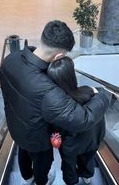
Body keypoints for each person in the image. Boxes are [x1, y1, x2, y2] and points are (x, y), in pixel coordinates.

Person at [0, 20, 110, 185]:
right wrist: (102, 95)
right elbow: (83, 119)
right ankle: (40, 181)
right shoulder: (49, 91)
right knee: (41, 164)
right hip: (37, 139)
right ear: (59, 56)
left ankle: (27, 178)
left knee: (23, 152)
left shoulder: (11, 59)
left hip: (15, 127)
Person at [47, 57, 106, 185]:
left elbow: (56, 130)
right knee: (88, 159)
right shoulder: (90, 91)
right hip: (91, 140)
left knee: (69, 166)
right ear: (72, 76)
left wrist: (54, 138)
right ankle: (86, 175)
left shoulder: (59, 106)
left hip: (70, 146)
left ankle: (71, 181)